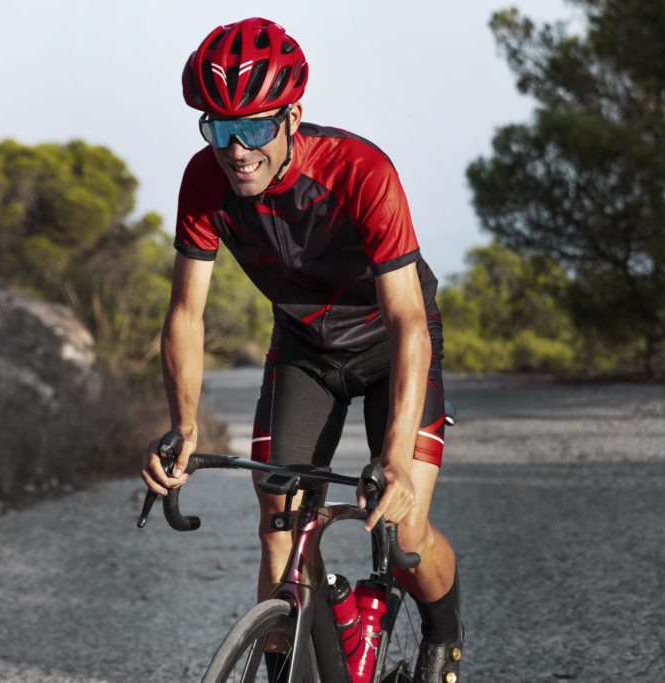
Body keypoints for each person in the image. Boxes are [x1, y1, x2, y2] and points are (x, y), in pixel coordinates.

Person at [139, 17, 463, 682]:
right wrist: (184, 427)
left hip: (388, 345)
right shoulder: (204, 182)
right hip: (306, 348)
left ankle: (443, 632)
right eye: (218, 129)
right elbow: (185, 314)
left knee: (403, 535)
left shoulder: (361, 172)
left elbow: (407, 321)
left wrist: (395, 460)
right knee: (279, 520)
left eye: (254, 127)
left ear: (293, 116)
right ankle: (299, 650)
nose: (236, 150)